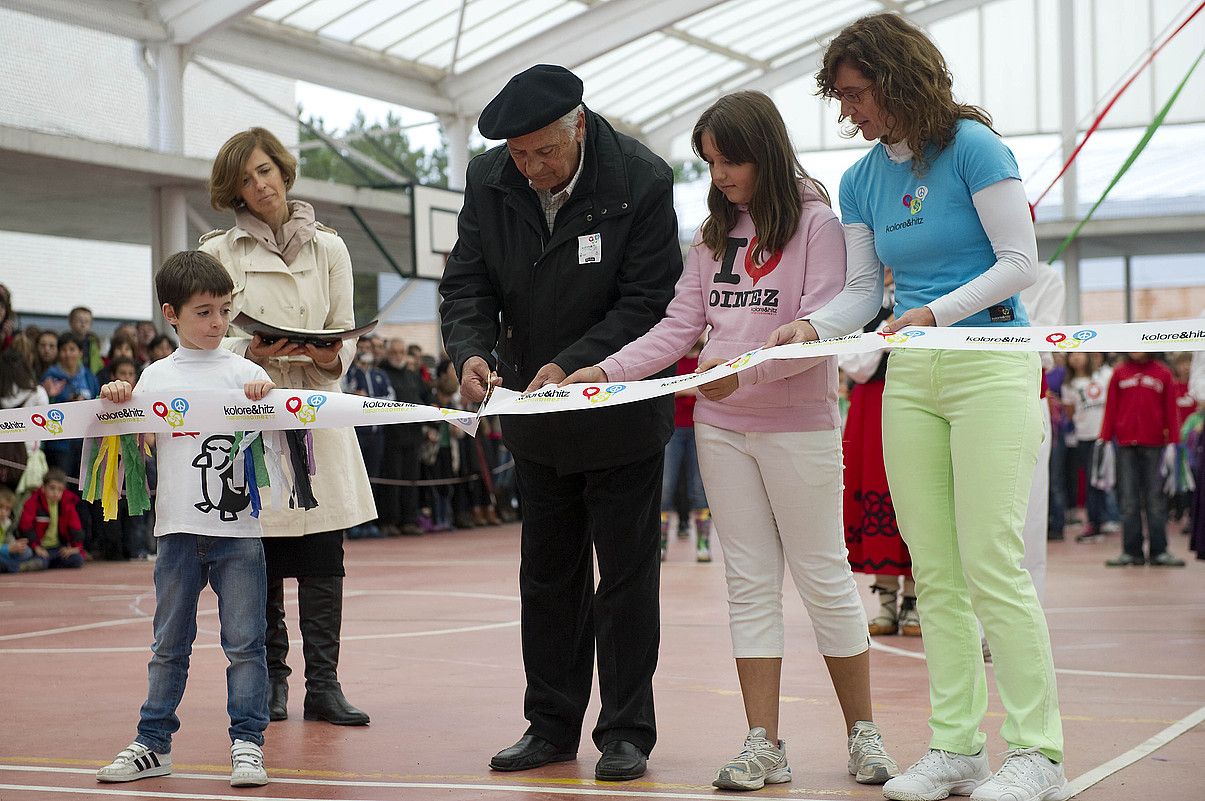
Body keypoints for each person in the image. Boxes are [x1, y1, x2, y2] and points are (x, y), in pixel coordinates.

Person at [768, 13, 1067, 800]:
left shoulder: (974, 148)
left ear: (900, 78)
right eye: (840, 98)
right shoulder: (862, 179)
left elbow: (1017, 261)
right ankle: (957, 746)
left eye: (858, 94)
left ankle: (1036, 751)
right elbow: (865, 291)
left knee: (990, 562)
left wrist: (935, 313)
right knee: (932, 570)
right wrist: (814, 323)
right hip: (913, 377)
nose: (849, 112)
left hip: (991, 365)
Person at [563, 90, 897, 790]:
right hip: (721, 431)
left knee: (823, 576)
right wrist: (597, 369)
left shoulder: (818, 226)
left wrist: (734, 379)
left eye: (730, 159)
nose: (718, 174)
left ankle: (862, 733)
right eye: (709, 161)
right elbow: (676, 330)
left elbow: (820, 334)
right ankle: (761, 742)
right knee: (747, 584)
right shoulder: (711, 236)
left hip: (797, 428)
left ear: (765, 151)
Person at [439, 64, 682, 781]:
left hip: (619, 412)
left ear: (577, 125)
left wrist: (576, 364)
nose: (531, 168)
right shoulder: (490, 180)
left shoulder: (639, 178)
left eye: (543, 151)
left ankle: (626, 732)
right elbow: (467, 285)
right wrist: (473, 352)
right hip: (534, 418)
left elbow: (648, 301)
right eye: (518, 154)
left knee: (626, 578)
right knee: (546, 577)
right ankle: (548, 725)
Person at [201, 126, 375, 726]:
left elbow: (343, 333)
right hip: (251, 412)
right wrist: (250, 348)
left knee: (326, 550)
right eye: (247, 179)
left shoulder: (330, 248)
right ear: (236, 192)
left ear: (282, 170)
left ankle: (324, 686)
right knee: (262, 551)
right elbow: (208, 336)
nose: (261, 185)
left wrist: (326, 354)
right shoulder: (219, 253)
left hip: (318, 410)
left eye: (266, 170)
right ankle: (272, 682)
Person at [95, 250, 273, 787]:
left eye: (223, 309)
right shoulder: (153, 376)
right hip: (175, 531)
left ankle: (247, 743)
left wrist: (265, 399)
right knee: (167, 644)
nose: (217, 321)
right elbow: (135, 440)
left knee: (246, 644)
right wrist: (119, 399)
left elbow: (275, 437)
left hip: (238, 533)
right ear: (171, 314)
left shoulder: (247, 372)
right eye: (203, 311)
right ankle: (153, 743)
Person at [837, 268, 918, 637]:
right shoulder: (864, 301)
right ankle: (886, 598)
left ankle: (916, 598)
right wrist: (886, 330)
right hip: (872, 404)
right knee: (877, 488)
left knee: (917, 491)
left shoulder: (925, 291)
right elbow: (855, 363)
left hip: (918, 394)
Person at [1100, 353, 1185, 567]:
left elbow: (1170, 408)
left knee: (1155, 499)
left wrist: (1174, 442)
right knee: (1128, 500)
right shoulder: (1119, 373)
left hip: (1155, 445)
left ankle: (1159, 551)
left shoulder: (1163, 373)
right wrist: (1105, 439)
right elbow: (1110, 407)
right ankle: (1132, 551)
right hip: (1126, 445)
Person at [658, 337, 711, 563]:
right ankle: (659, 545)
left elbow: (709, 389)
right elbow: (665, 390)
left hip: (701, 429)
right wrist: (691, 389)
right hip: (674, 431)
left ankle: (703, 545)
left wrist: (685, 389)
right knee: (665, 489)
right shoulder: (673, 360)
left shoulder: (706, 359)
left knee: (700, 489)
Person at [378, 338, 430, 537]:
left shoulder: (413, 375)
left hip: (413, 435)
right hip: (392, 436)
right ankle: (389, 520)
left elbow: (427, 397)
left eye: (401, 352)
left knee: (411, 480)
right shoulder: (382, 375)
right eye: (394, 352)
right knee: (392, 480)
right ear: (388, 353)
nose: (398, 356)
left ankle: (409, 519)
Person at [18, 468, 85, 570]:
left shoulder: (67, 503)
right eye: (52, 488)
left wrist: (75, 548)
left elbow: (75, 528)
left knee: (77, 559)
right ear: (43, 488)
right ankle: (43, 563)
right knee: (40, 561)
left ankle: (48, 563)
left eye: (60, 489)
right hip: (38, 547)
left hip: (57, 548)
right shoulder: (33, 501)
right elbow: (26, 526)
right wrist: (36, 547)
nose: (56, 493)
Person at [0, 485, 36, 573]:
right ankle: (16, 567)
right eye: (0, 507)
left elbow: (8, 538)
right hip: (2, 551)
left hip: (4, 552)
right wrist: (7, 549)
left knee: (27, 552)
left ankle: (13, 565)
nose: (3, 512)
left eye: (7, 509)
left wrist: (16, 545)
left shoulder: (7, 523)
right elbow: (6, 547)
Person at [68, 306, 104, 375]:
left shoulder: (94, 343)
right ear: (71, 322)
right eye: (79, 321)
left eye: (87, 321)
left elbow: (99, 365)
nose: (83, 324)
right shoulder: (65, 342)